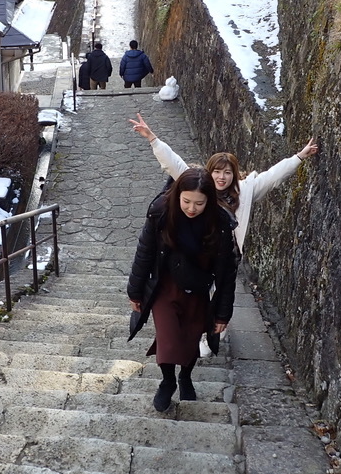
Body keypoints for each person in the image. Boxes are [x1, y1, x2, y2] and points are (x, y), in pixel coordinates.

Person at [127, 167, 238, 411]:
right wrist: (135, 292)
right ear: (177, 194)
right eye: (186, 201)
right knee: (169, 338)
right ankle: (167, 382)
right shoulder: (161, 213)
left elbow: (227, 272)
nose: (191, 208)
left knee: (190, 337)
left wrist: (222, 314)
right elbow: (144, 252)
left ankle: (185, 377)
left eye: (199, 203)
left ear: (209, 201)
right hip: (165, 286)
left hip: (198, 289)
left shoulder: (219, 224)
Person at [129, 112, 318, 252]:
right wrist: (152, 138)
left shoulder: (244, 191)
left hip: (224, 254)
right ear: (209, 172)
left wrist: (299, 157)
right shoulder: (198, 185)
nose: (221, 177)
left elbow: (273, 176)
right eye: (217, 172)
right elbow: (173, 163)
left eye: (227, 173)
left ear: (234, 175)